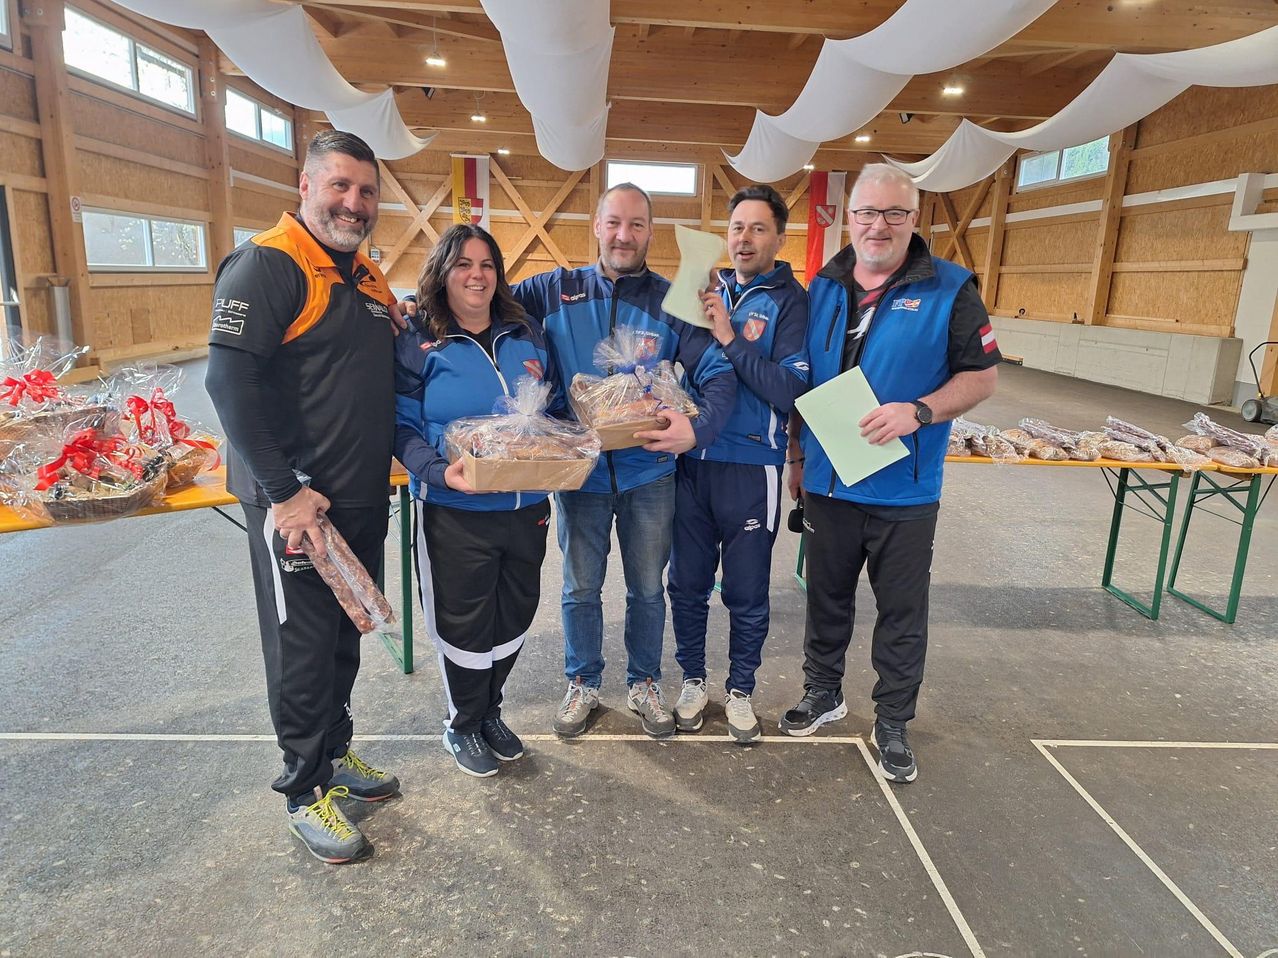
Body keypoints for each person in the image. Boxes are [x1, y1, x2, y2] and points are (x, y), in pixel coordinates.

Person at [205, 130, 401, 864]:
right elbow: (228, 382)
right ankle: (302, 788)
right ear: (306, 185)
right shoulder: (269, 264)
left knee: (345, 634)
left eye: (366, 191)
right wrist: (285, 492)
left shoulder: (364, 277)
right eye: (339, 186)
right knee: (303, 647)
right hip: (298, 506)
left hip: (357, 498)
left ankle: (336, 757)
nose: (354, 202)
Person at [780, 163, 1000, 784]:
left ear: (913, 220)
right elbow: (805, 383)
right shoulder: (820, 286)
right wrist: (797, 458)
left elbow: (982, 377)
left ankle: (894, 719)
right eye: (867, 214)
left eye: (894, 214)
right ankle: (823, 692)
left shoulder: (951, 289)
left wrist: (920, 411)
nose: (879, 225)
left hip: (903, 488)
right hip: (826, 482)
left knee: (901, 608)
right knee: (825, 598)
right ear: (847, 219)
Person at [513, 183, 737, 739]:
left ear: (650, 233)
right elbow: (482, 299)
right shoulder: (553, 289)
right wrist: (419, 311)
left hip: (650, 473)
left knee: (645, 587)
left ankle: (642, 681)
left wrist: (698, 427)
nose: (623, 235)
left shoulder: (671, 302)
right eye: (614, 222)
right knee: (580, 586)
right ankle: (583, 681)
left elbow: (717, 372)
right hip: (580, 472)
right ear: (595, 224)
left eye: (636, 225)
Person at [394, 224, 558, 779]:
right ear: (444, 271)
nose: (476, 275)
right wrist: (438, 473)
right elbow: (401, 425)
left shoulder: (526, 333)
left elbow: (550, 412)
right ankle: (462, 721)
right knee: (463, 622)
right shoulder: (419, 338)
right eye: (463, 264)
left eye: (487, 265)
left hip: (526, 506)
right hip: (455, 509)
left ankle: (490, 709)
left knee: (515, 612)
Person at [667, 185, 809, 743]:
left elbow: (791, 390)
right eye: (736, 228)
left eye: (757, 228)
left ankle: (742, 689)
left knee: (746, 590)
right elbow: (666, 354)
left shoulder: (792, 302)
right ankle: (694, 680)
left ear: (778, 236)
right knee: (686, 584)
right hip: (693, 463)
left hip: (753, 469)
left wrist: (727, 335)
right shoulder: (704, 287)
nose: (744, 238)